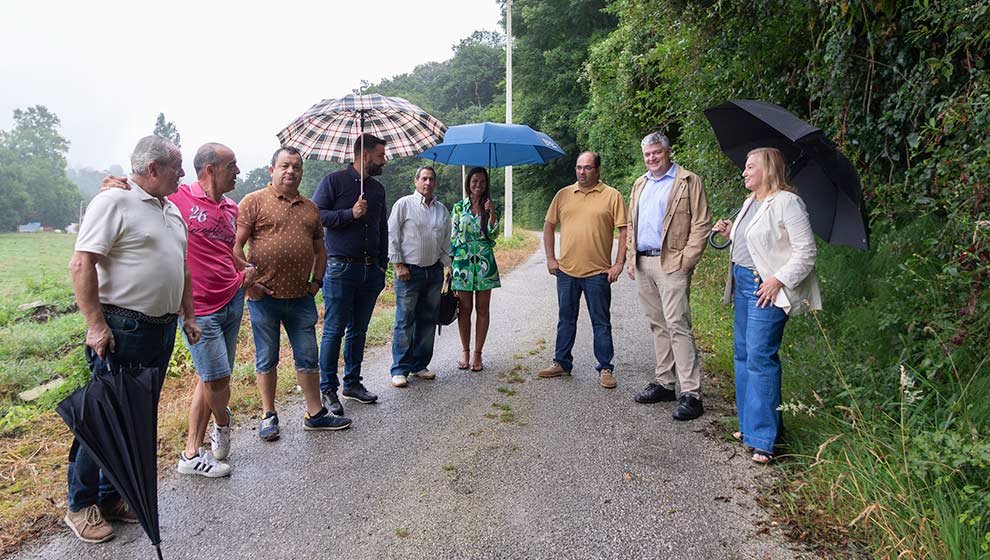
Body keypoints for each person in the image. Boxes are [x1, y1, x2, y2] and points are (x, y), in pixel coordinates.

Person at [66, 135, 201, 543]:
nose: (183, 173)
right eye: (177, 166)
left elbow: (181, 267)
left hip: (161, 330)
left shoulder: (170, 210)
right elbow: (82, 263)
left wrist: (189, 314)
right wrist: (95, 325)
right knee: (105, 416)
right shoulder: (113, 202)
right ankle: (80, 504)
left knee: (136, 417)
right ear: (153, 168)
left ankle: (112, 496)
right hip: (122, 328)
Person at [102, 143, 253, 477]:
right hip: (199, 308)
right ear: (210, 169)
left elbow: (225, 251)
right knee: (217, 378)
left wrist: (246, 270)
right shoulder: (179, 199)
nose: (238, 172)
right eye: (232, 165)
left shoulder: (231, 208)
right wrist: (117, 186)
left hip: (231, 298)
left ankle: (191, 453)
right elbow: (143, 193)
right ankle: (223, 424)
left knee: (210, 375)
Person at [712, 147, 821, 463]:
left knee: (760, 356)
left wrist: (779, 280)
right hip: (743, 283)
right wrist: (731, 232)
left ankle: (765, 439)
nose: (744, 172)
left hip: (766, 289)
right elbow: (757, 243)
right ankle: (749, 427)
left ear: (769, 169)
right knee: (743, 353)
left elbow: (806, 252)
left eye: (750, 167)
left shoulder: (788, 202)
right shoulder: (750, 202)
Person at [234, 147, 351, 441]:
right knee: (266, 358)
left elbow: (319, 250)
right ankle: (268, 415)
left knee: (308, 356)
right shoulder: (253, 202)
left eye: (296, 167)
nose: (291, 172)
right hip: (264, 298)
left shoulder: (310, 208)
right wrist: (249, 283)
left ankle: (315, 414)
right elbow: (234, 248)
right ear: (271, 169)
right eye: (285, 166)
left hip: (301, 297)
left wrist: (316, 282)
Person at [625, 132, 711, 421]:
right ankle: (665, 382)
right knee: (657, 325)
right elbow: (631, 222)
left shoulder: (688, 181)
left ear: (668, 152)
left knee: (678, 325)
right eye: (647, 154)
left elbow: (701, 223)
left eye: (657, 153)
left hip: (672, 262)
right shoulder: (640, 183)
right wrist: (629, 258)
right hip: (643, 262)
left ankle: (691, 393)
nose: (652, 158)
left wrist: (687, 260)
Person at [312, 133, 388, 414]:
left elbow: (383, 228)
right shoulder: (333, 181)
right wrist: (349, 214)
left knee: (359, 329)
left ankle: (352, 383)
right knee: (333, 330)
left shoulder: (378, 190)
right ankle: (327, 389)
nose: (384, 161)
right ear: (365, 155)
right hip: (340, 268)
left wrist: (383, 264)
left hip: (371, 270)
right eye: (380, 155)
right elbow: (317, 215)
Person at [537, 152, 627, 388]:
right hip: (566, 272)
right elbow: (548, 226)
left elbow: (624, 231)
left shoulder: (612, 196)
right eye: (579, 167)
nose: (582, 172)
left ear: (598, 170)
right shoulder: (563, 195)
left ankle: (605, 368)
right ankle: (561, 362)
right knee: (565, 319)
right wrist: (550, 258)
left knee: (601, 322)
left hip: (598, 273)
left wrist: (618, 263)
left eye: (587, 168)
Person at [386, 166, 452, 387]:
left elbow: (445, 241)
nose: (428, 183)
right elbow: (392, 235)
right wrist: (398, 264)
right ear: (415, 181)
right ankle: (400, 369)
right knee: (404, 320)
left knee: (427, 320)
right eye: (424, 178)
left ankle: (419, 365)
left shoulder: (442, 210)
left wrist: (447, 265)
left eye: (431, 179)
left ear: (435, 183)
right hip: (409, 272)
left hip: (433, 271)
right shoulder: (404, 204)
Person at [449, 167, 500, 372]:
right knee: (464, 309)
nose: (478, 185)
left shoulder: (491, 207)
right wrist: (450, 265)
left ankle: (478, 353)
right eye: (474, 182)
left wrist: (492, 214)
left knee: (482, 309)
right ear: (468, 184)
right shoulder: (458, 208)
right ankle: (465, 351)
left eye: (482, 182)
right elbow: (453, 237)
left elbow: (493, 235)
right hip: (462, 263)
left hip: (484, 262)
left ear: (486, 184)